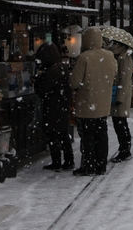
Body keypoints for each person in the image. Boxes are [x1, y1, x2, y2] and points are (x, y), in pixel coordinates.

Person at [69, 27, 117, 176]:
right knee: (101, 135)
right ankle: (100, 165)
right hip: (103, 103)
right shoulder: (109, 56)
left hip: (86, 103)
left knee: (87, 137)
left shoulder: (84, 57)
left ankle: (88, 166)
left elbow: (74, 82)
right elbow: (114, 74)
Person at [33, 42, 74, 171]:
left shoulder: (52, 71)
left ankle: (57, 161)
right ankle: (68, 160)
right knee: (63, 134)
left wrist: (37, 80)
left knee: (52, 134)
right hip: (62, 105)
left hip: (53, 107)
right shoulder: (62, 68)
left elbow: (42, 90)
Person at [108, 42, 133, 163]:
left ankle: (125, 150)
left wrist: (119, 98)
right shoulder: (118, 57)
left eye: (115, 44)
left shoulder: (124, 58)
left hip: (119, 96)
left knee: (121, 123)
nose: (112, 45)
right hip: (116, 93)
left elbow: (125, 80)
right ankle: (124, 149)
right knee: (119, 123)